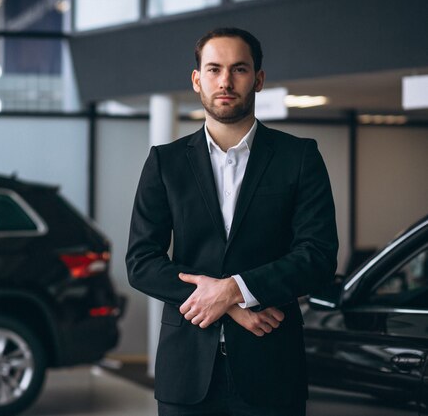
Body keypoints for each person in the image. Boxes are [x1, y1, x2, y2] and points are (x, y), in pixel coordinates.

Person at [126, 27, 338, 416]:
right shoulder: (165, 162)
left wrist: (235, 289)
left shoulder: (300, 157)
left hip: (273, 369)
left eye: (238, 69)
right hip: (186, 373)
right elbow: (141, 263)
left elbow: (318, 256)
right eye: (214, 69)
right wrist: (229, 301)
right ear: (197, 79)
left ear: (258, 79)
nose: (225, 81)